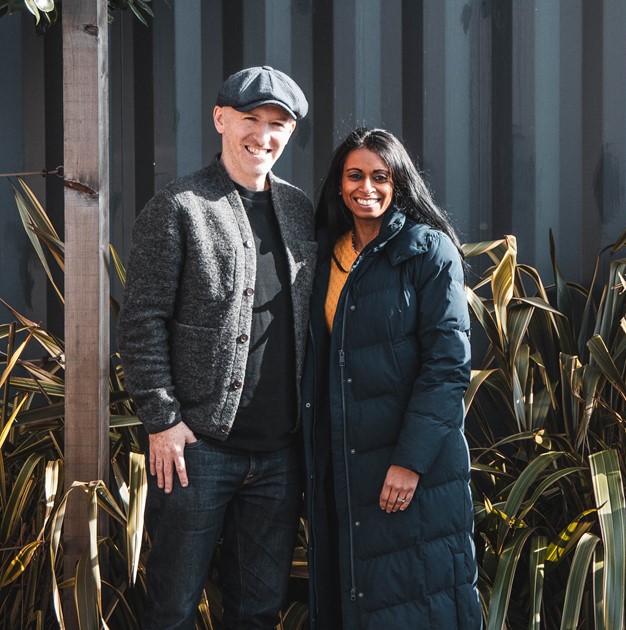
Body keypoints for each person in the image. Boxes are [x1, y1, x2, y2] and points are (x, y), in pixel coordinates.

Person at [118, 66, 315, 628]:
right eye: (251, 118)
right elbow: (142, 320)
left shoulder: (301, 211)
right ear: (220, 119)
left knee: (257, 609)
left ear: (291, 132)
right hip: (196, 452)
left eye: (278, 123)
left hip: (279, 456)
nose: (263, 134)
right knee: (173, 607)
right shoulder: (180, 206)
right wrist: (162, 421)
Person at [301, 128, 481, 629]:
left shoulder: (429, 252)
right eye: (354, 175)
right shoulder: (323, 257)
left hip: (410, 468)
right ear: (339, 184)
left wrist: (409, 461)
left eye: (380, 176)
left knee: (414, 599)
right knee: (353, 599)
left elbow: (447, 367)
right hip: (342, 466)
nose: (367, 187)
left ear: (398, 183)